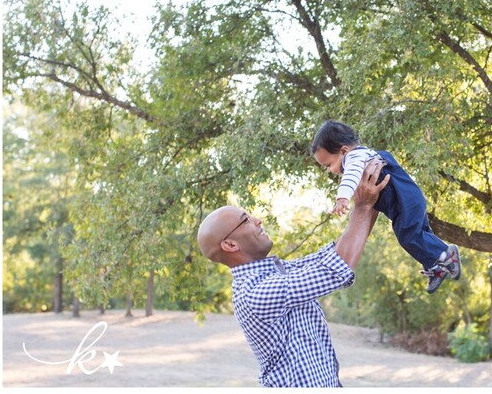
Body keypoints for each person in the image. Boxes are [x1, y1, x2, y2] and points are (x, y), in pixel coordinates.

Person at [196, 159, 389, 387]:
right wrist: (363, 205)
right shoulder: (256, 293)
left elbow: (337, 254)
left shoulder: (277, 272)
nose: (257, 220)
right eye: (245, 220)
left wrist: (373, 199)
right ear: (229, 245)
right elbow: (337, 267)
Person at [311, 120, 461, 294]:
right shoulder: (368, 156)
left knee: (408, 236)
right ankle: (436, 266)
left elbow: (350, 175)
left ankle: (445, 254)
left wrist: (342, 197)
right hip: (409, 200)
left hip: (406, 201)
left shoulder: (354, 157)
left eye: (328, 165)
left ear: (344, 151)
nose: (329, 170)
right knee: (420, 235)